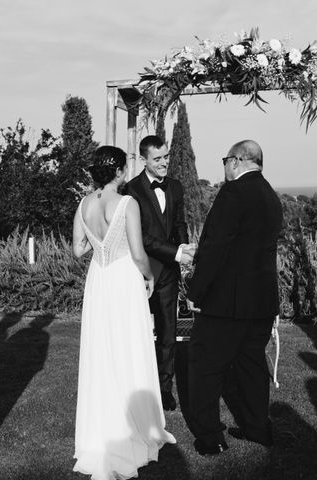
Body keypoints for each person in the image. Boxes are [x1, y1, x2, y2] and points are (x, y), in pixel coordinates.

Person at [72, 145, 175, 480]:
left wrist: (97, 241)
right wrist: (148, 276)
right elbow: (138, 251)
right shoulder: (127, 203)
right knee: (129, 347)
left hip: (99, 281)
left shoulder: (84, 204)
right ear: (117, 170)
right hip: (122, 279)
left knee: (102, 351)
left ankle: (101, 429)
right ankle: (133, 429)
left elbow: (77, 250)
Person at [185, 140, 283, 455]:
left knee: (205, 367)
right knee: (251, 365)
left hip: (227, 302)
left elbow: (215, 246)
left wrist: (195, 290)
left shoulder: (233, 193)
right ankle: (258, 429)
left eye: (226, 160)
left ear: (238, 160)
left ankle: (210, 437)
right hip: (261, 301)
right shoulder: (270, 195)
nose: (225, 166)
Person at [123, 135, 193, 411]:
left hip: (169, 274)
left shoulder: (175, 187)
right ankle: (135, 386)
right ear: (144, 160)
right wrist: (175, 252)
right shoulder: (131, 190)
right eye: (158, 159)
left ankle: (164, 390)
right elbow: (139, 236)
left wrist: (184, 248)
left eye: (166, 157)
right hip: (140, 271)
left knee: (168, 333)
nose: (164, 163)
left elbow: (179, 223)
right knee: (136, 333)